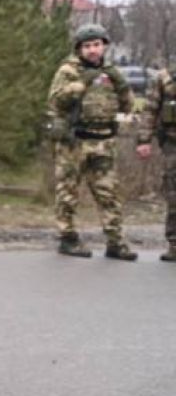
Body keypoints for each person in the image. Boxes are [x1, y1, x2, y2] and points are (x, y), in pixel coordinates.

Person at [47, 23, 136, 259]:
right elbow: (56, 101)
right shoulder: (69, 71)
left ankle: (115, 242)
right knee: (67, 193)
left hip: (103, 141)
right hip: (74, 142)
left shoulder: (111, 72)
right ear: (79, 49)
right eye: (87, 46)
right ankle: (68, 239)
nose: (93, 50)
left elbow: (128, 105)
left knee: (109, 194)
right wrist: (81, 84)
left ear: (104, 46)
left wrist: (122, 85)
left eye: (96, 45)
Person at [134, 63, 176, 261]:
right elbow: (150, 110)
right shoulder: (165, 78)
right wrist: (144, 140)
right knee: (174, 194)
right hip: (173, 145)